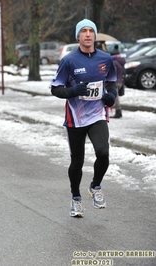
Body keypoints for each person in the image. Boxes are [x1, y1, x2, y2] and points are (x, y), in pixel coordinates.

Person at [50, 19, 117, 218]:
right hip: (75, 119)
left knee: (103, 153)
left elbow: (112, 83)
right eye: (83, 31)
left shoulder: (106, 59)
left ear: (95, 35)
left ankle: (95, 186)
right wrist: (72, 91)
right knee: (77, 161)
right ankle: (76, 198)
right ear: (78, 36)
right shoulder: (69, 60)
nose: (87, 34)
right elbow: (55, 88)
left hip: (97, 115)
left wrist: (111, 96)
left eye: (91, 31)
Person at [110, 46, 125, 118]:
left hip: (115, 81)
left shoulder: (114, 62)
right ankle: (119, 112)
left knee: (116, 98)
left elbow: (113, 73)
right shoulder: (121, 61)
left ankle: (118, 112)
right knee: (116, 96)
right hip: (120, 81)